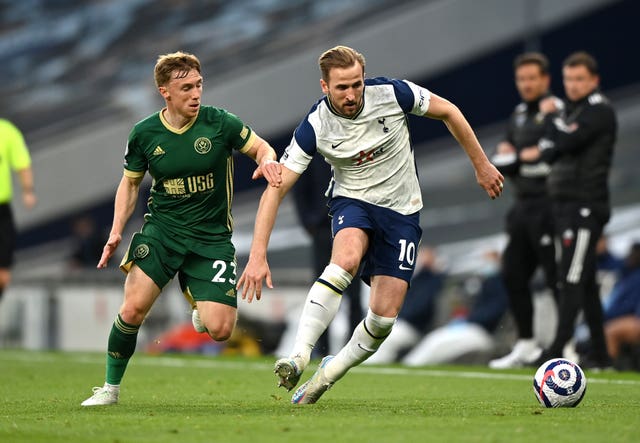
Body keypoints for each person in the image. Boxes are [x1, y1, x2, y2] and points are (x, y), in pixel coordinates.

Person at [237, 45, 504, 404]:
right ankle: (300, 355)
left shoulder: (394, 93)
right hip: (354, 202)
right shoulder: (315, 125)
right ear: (324, 86)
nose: (350, 95)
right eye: (341, 87)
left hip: (402, 211)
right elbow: (276, 189)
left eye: (356, 85)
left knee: (382, 321)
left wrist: (481, 164)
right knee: (344, 260)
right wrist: (257, 255)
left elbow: (449, 112)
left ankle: (328, 373)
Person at [81, 51, 282, 406]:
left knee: (220, 330)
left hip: (211, 239)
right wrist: (116, 230)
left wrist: (267, 162)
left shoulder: (219, 122)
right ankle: (109, 389)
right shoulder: (144, 134)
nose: (195, 94)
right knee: (132, 310)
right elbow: (129, 185)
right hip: (162, 232)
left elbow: (261, 147)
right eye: (186, 88)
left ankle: (198, 302)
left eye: (199, 85)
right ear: (165, 92)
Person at [520, 51, 617, 369]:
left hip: (586, 206)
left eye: (579, 79)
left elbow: (563, 142)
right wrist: (555, 134)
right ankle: (601, 354)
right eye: (569, 79)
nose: (573, 86)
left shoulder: (598, 110)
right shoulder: (572, 112)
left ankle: (557, 347)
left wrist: (552, 124)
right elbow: (549, 151)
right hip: (564, 205)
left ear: (594, 81)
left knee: (571, 277)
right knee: (584, 282)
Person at [488, 52, 559, 369]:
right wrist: (517, 156)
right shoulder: (518, 114)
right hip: (522, 205)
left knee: (557, 277)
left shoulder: (557, 111)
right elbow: (506, 154)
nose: (527, 84)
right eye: (522, 79)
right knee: (513, 273)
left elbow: (549, 157)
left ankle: (567, 344)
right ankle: (527, 344)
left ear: (545, 80)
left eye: (533, 78)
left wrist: (519, 157)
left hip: (551, 204)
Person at [291, 153, 363, 357]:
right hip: (322, 228)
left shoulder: (351, 144)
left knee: (354, 292)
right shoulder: (312, 148)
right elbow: (299, 187)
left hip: (351, 226)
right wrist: (309, 222)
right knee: (323, 290)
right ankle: (321, 349)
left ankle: (354, 349)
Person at [402, 250, 509, 366]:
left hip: (484, 333)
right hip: (471, 328)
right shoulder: (487, 282)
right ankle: (410, 366)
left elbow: (494, 312)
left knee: (437, 342)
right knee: (435, 340)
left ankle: (410, 367)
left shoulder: (504, 283)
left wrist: (468, 320)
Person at [364, 246, 446, 364]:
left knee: (389, 337)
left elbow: (420, 309)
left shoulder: (434, 281)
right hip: (399, 322)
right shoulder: (414, 278)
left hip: (412, 327)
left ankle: (373, 365)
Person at [0, 118, 36, 303]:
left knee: (3, 273)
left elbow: (22, 163)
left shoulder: (7, 132)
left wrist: (28, 190)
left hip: (2, 212)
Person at [601, 243, 640, 368]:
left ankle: (608, 366)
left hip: (635, 319)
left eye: (634, 254)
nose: (630, 256)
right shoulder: (627, 273)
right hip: (620, 317)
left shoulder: (636, 278)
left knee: (610, 331)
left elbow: (630, 305)